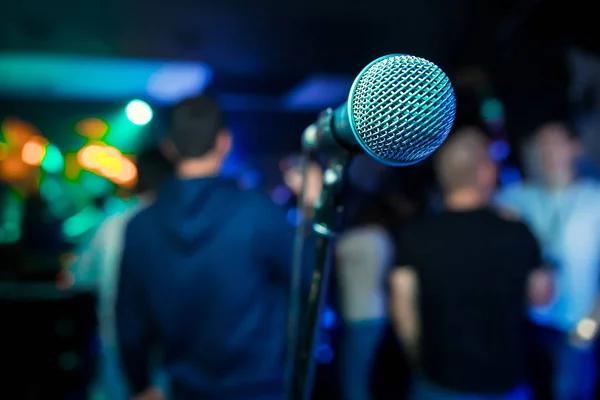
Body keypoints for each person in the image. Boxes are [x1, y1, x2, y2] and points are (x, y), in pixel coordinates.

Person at [116, 95, 319, 400]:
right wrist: (313, 211)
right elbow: (311, 279)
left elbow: (128, 321)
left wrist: (140, 384)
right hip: (260, 388)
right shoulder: (259, 212)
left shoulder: (140, 226)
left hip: (184, 388)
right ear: (224, 142)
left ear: (170, 148)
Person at [389, 127, 553, 400]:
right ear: (487, 172)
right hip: (505, 379)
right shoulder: (517, 232)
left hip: (438, 377)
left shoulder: (415, 234)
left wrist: (418, 358)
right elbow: (541, 297)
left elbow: (403, 311)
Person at [497, 121, 600, 400]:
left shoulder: (595, 199)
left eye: (554, 142)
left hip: (575, 325)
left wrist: (590, 325)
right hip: (525, 325)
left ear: (574, 148)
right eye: (540, 143)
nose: (546, 150)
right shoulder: (513, 199)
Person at [75, 148, 173, 400]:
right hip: (165, 352)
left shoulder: (112, 223)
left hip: (115, 345)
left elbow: (79, 276)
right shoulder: (176, 225)